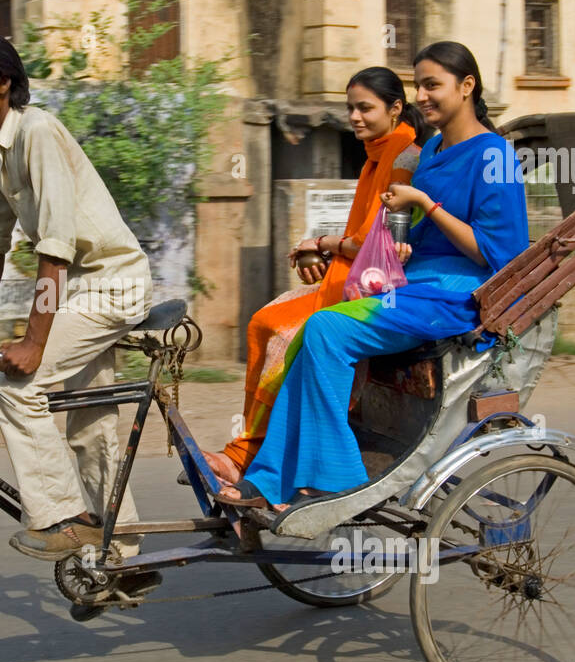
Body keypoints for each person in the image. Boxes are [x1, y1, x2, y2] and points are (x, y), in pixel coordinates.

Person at [218, 41, 529, 509]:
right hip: (414, 287)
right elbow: (419, 234)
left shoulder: (495, 157)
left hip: (457, 297)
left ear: (467, 87)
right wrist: (404, 238)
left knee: (326, 327)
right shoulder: (436, 152)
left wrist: (426, 205)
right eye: (419, 84)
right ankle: (268, 477)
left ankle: (335, 477)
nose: (423, 95)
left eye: (433, 85)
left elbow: (498, 253)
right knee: (307, 332)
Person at [0, 32, 160, 589]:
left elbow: (54, 247)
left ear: (2, 83)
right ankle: (119, 554)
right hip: (79, 288)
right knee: (89, 421)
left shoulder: (37, 132)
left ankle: (68, 519)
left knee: (18, 388)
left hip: (110, 286)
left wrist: (34, 341)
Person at [202, 67, 427, 484]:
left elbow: (376, 246)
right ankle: (247, 450)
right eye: (350, 109)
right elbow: (359, 240)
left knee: (284, 335)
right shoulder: (375, 157)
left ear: (395, 109)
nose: (355, 117)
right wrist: (322, 248)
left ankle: (251, 456)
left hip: (376, 290)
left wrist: (322, 244)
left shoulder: (404, 160)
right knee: (262, 321)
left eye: (365, 108)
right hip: (348, 276)